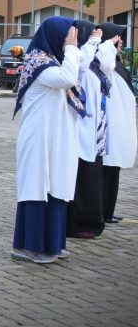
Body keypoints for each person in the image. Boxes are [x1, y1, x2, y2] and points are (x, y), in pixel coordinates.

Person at [11, 16, 83, 264]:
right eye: (67, 36)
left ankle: (52, 244)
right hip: (39, 135)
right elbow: (67, 79)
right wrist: (72, 50)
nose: (70, 41)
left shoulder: (54, 61)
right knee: (37, 184)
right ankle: (29, 246)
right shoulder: (39, 62)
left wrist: (74, 50)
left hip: (55, 134)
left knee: (56, 183)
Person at [66, 21, 113, 239]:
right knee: (81, 179)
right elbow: (80, 66)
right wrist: (92, 42)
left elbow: (108, 66)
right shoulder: (78, 63)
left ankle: (90, 220)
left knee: (91, 178)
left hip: (94, 132)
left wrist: (107, 44)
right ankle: (78, 222)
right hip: (81, 131)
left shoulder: (94, 65)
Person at [97, 23, 137, 224]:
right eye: (117, 38)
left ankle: (108, 211)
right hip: (111, 123)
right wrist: (108, 45)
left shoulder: (116, 61)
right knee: (107, 170)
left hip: (121, 122)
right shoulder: (105, 61)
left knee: (114, 170)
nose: (120, 42)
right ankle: (102, 212)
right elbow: (104, 62)